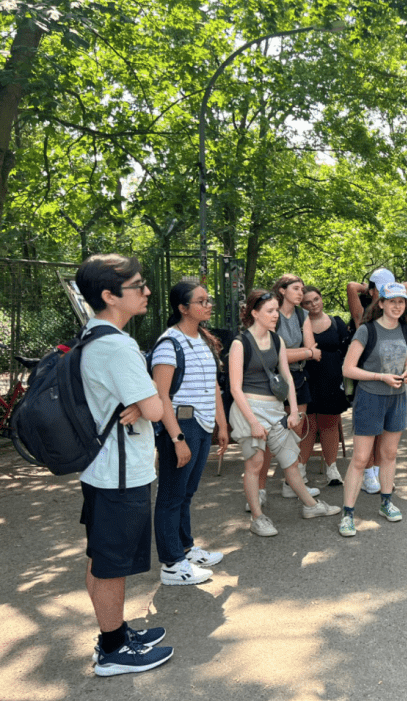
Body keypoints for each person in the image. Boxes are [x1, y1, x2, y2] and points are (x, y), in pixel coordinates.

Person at [75, 254, 173, 676]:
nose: (147, 291)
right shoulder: (117, 344)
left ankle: (114, 632)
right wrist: (142, 398)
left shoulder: (94, 334)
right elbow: (155, 407)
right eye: (138, 286)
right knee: (111, 564)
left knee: (103, 558)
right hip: (118, 474)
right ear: (109, 296)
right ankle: (113, 650)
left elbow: (142, 403)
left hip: (106, 469)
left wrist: (138, 399)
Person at [228, 290, 340, 537]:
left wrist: (293, 411)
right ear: (254, 313)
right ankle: (258, 518)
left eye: (276, 310)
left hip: (275, 408)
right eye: (269, 311)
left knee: (290, 459)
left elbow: (287, 374)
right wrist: (252, 422)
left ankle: (311, 506)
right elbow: (235, 388)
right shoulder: (240, 343)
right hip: (249, 407)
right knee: (255, 463)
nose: (275, 315)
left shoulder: (276, 340)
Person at [152, 282, 229, 587]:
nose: (208, 304)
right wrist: (176, 438)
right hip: (182, 427)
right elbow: (161, 396)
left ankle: (185, 549)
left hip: (202, 425)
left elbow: (212, 387)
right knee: (171, 496)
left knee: (186, 493)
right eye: (200, 301)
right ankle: (172, 564)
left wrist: (222, 425)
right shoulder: (169, 343)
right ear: (183, 308)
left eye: (208, 299)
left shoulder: (203, 340)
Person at [340, 281, 407, 537]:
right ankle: (348, 514)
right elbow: (348, 369)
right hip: (370, 398)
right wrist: (380, 376)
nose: (397, 306)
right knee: (361, 459)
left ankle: (386, 502)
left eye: (401, 301)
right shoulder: (367, 330)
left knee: (390, 454)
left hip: (396, 399)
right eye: (392, 301)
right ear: (380, 303)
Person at [273, 274, 320, 497]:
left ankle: (290, 483)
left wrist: (305, 353)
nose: (301, 293)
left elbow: (314, 350)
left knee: (297, 431)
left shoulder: (302, 315)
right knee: (272, 431)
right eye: (295, 288)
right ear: (282, 291)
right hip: (274, 380)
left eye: (302, 289)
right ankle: (261, 488)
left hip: (298, 378)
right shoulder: (272, 313)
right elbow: (272, 354)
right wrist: (306, 352)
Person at [302, 285, 351, 486]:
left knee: (330, 424)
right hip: (307, 378)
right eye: (307, 302)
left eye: (316, 299)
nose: (313, 304)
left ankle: (332, 469)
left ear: (322, 299)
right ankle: (300, 470)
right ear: (301, 305)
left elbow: (347, 351)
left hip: (332, 379)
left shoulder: (336, 322)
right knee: (307, 426)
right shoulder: (299, 324)